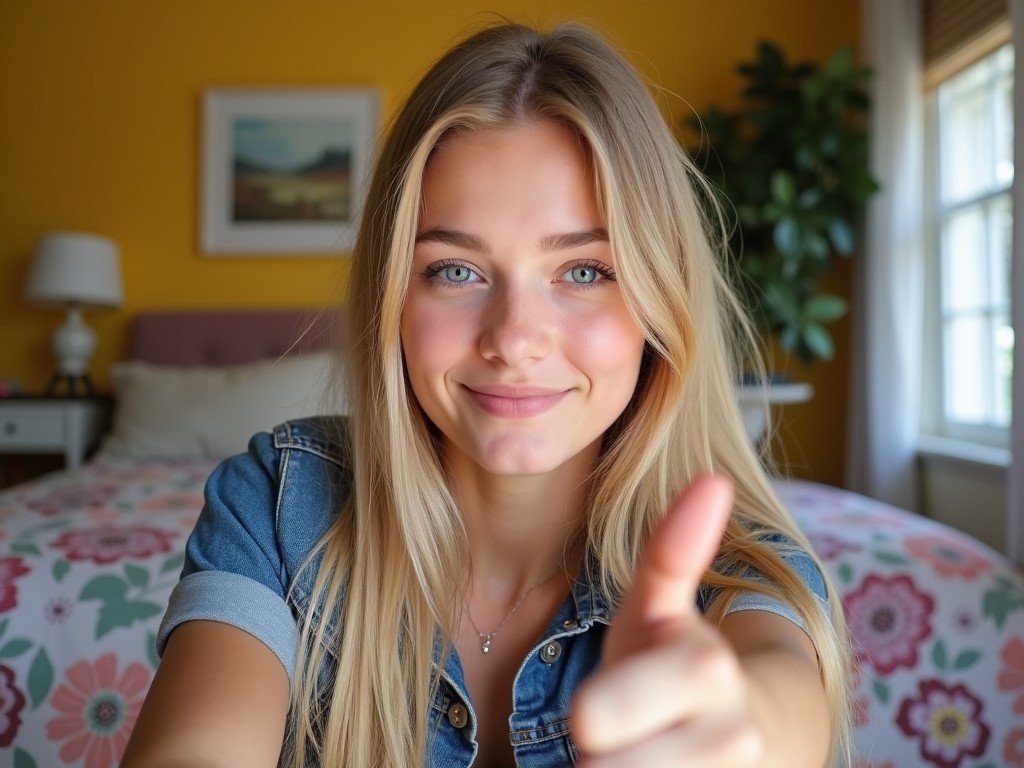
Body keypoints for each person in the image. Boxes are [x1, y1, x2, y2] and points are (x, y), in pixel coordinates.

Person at [123, 20, 852, 768]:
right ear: (394, 301)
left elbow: (773, 701)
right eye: (456, 270)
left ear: (660, 305)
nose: (513, 338)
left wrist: (746, 732)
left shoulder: (740, 564)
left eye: (585, 271)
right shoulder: (279, 506)